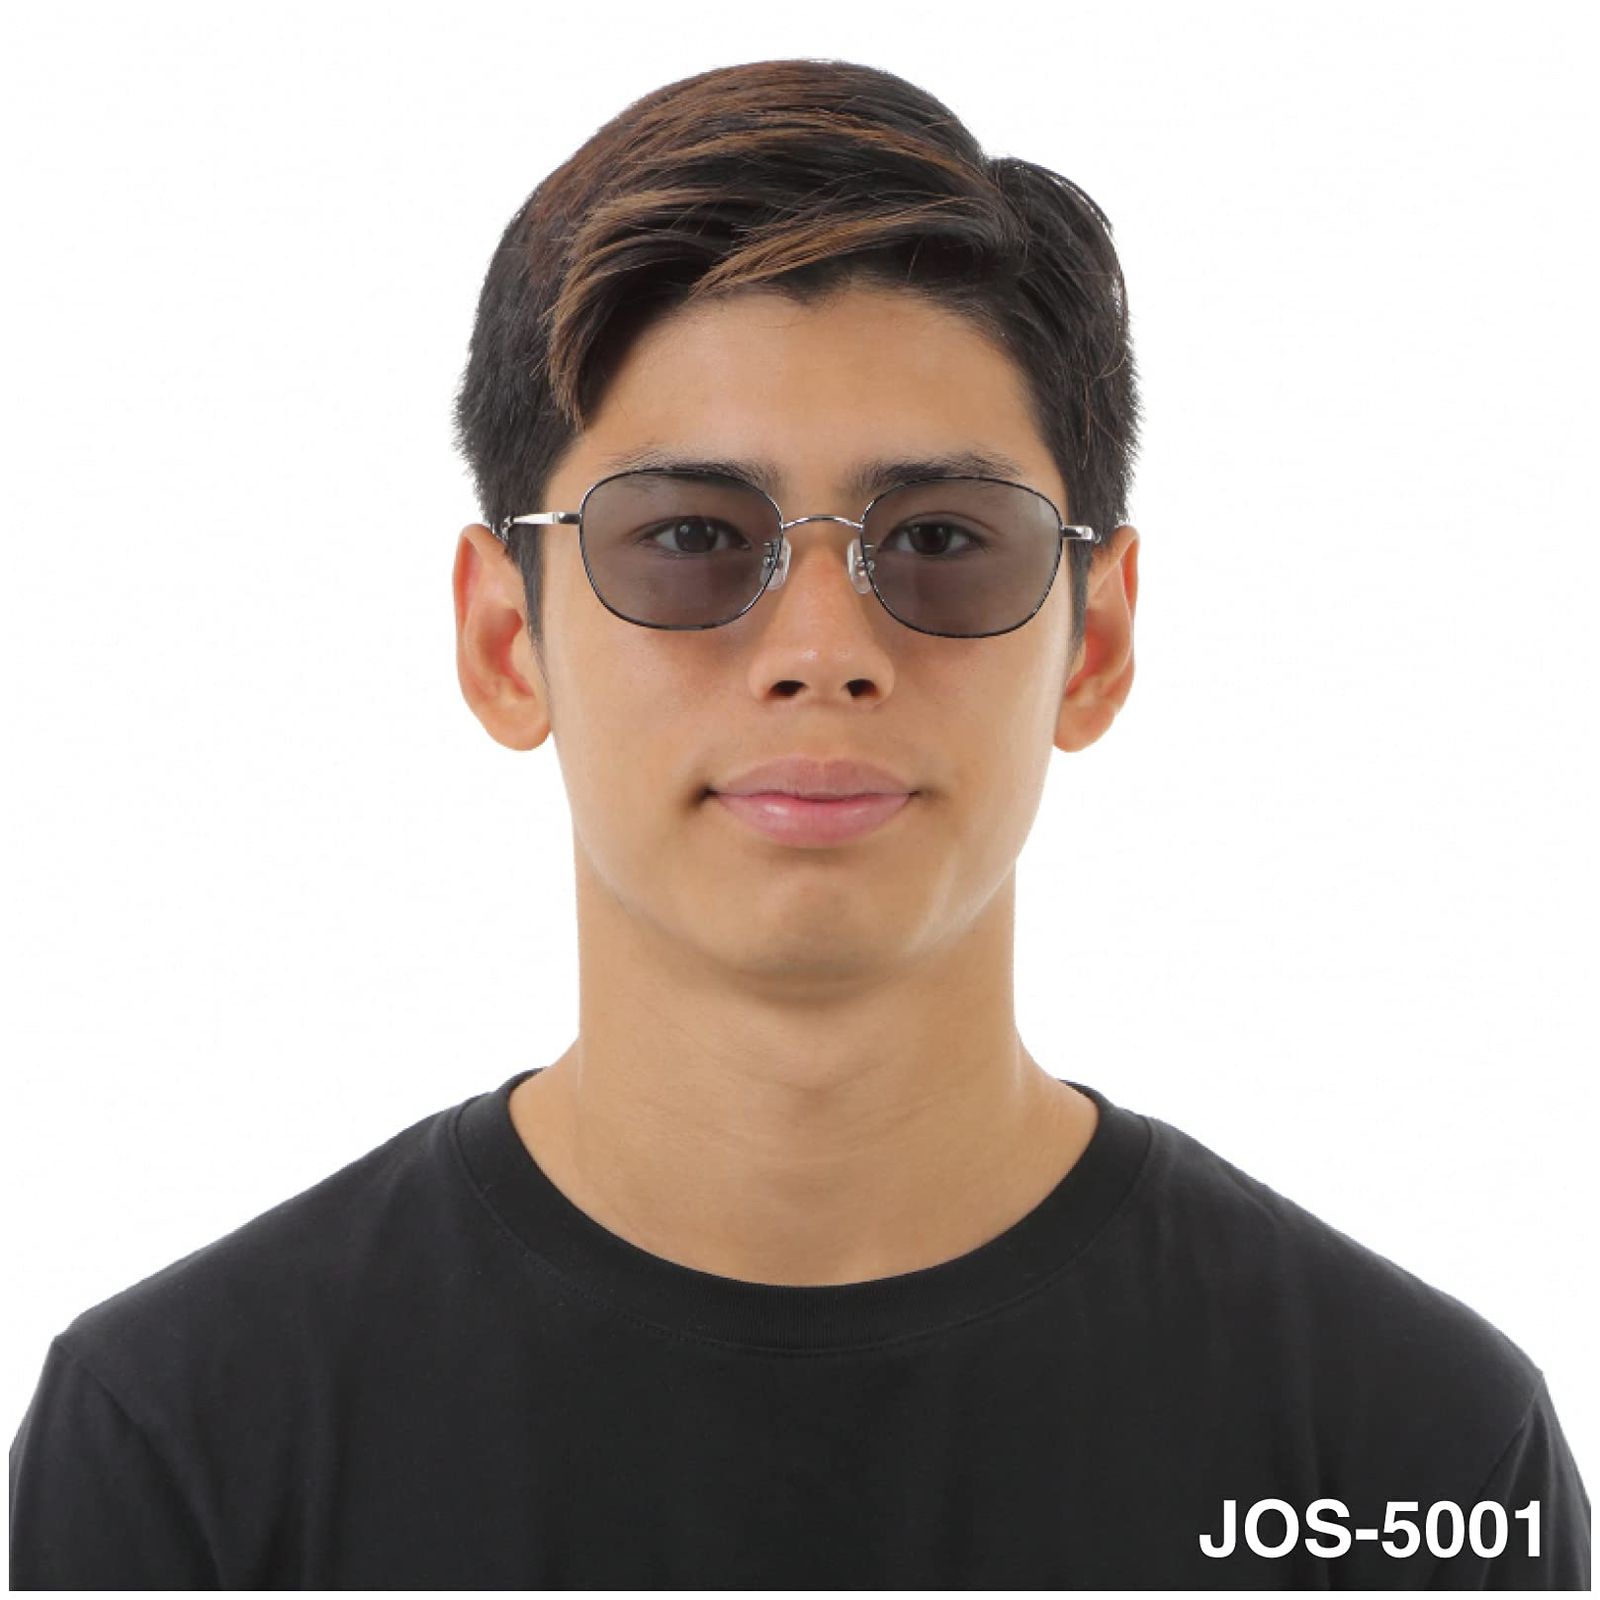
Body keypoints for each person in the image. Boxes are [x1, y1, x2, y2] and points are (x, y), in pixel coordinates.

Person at [8, 57, 1589, 1590]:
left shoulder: (1411, 1457)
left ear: (1094, 641)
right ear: (506, 639)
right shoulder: (184, 1450)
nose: (824, 650)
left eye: (943, 539)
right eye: (691, 536)